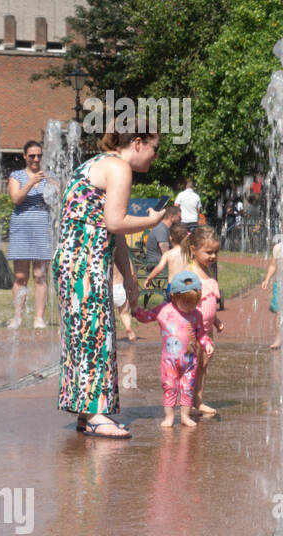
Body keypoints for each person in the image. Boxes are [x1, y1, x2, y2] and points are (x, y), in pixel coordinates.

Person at [55, 120, 165, 439]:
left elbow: (110, 231)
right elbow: (116, 222)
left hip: (77, 259)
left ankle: (87, 411)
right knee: (92, 333)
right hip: (83, 260)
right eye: (155, 149)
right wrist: (152, 220)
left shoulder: (99, 164)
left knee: (88, 332)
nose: (154, 158)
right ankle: (95, 414)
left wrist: (128, 277)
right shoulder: (119, 167)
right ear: (139, 142)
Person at [133, 270, 213, 428]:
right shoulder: (164, 310)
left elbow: (201, 333)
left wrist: (207, 343)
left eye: (193, 303)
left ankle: (184, 416)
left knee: (187, 388)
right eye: (186, 303)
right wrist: (135, 311)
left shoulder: (196, 314)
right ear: (174, 297)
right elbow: (146, 316)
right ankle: (169, 417)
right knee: (169, 386)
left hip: (190, 361)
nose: (190, 308)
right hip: (169, 361)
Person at [6, 140, 55, 329]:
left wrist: (54, 186)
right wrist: (31, 183)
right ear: (25, 156)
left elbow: (56, 201)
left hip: (42, 227)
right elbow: (16, 199)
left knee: (40, 275)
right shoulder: (16, 175)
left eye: (39, 156)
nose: (36, 159)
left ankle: (39, 318)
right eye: (32, 156)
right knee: (20, 276)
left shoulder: (50, 176)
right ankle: (17, 317)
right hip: (21, 228)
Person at [181, 224, 223, 415]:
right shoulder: (190, 274)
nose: (213, 257)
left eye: (215, 252)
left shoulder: (209, 272)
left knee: (203, 366)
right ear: (193, 250)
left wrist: (216, 320)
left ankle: (198, 400)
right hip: (193, 329)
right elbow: (185, 304)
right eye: (208, 252)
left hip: (207, 330)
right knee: (191, 366)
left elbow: (209, 301)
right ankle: (185, 403)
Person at [143, 205, 180, 274]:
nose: (181, 219)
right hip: (156, 265)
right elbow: (165, 251)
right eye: (179, 217)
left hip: (160, 263)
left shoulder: (165, 228)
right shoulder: (161, 229)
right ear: (172, 217)